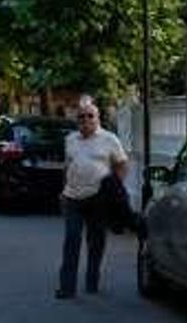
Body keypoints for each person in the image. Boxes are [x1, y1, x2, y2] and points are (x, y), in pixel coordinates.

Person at [57, 96, 128, 298]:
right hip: (73, 197)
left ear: (98, 118)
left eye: (90, 116)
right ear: (77, 120)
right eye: (81, 117)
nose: (86, 120)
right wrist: (63, 191)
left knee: (96, 242)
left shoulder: (109, 139)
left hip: (98, 199)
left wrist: (115, 189)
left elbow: (122, 164)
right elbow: (67, 166)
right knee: (72, 239)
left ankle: (92, 280)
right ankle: (67, 287)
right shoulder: (70, 140)